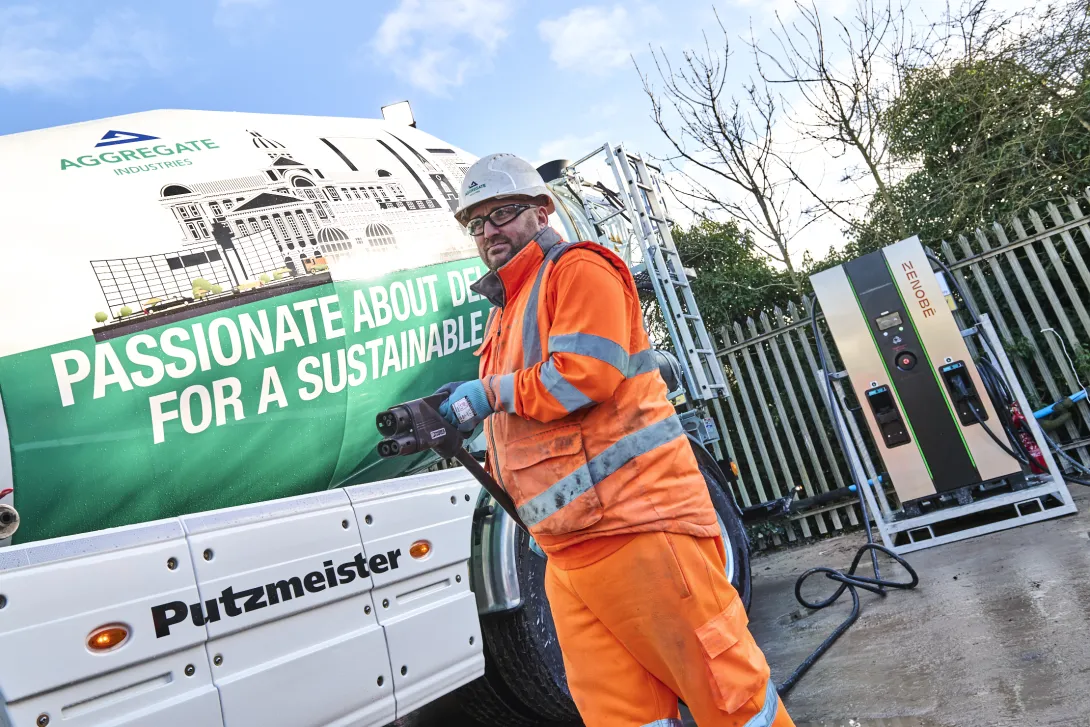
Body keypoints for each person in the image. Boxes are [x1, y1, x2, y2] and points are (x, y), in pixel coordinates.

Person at [435, 152, 794, 727]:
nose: (489, 231)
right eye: (476, 223)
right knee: (621, 716)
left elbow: (585, 373)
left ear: (541, 210)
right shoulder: (504, 310)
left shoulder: (578, 269)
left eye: (502, 212)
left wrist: (487, 394)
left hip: (640, 528)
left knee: (728, 699)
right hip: (566, 549)